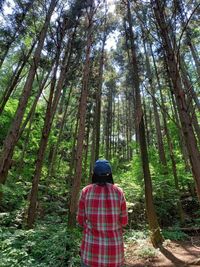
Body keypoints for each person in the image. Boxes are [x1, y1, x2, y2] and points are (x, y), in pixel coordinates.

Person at [77, 159, 128, 267]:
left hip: (90, 253)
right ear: (110, 175)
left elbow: (80, 220)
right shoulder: (119, 192)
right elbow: (124, 221)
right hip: (114, 255)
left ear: (94, 174)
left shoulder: (85, 191)